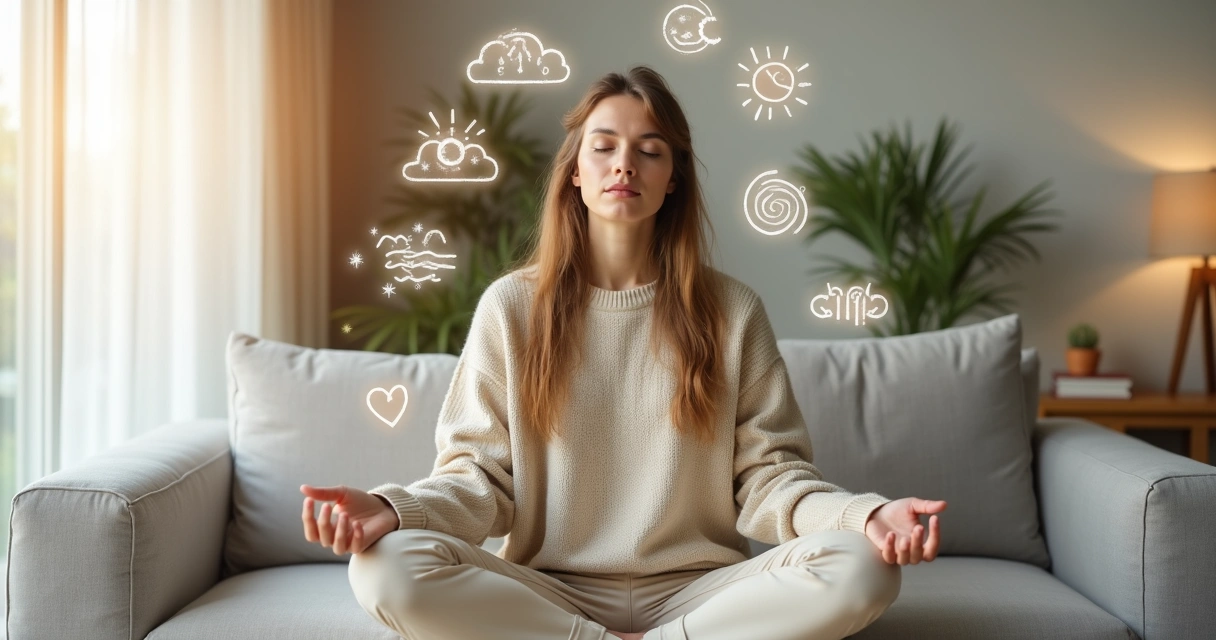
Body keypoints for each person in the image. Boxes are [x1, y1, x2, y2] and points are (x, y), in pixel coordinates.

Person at [300, 65, 947, 640]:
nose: (624, 165)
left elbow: (771, 480)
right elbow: (479, 482)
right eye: (603, 147)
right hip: (549, 591)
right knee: (385, 569)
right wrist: (390, 510)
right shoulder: (511, 308)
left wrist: (867, 515)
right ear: (575, 173)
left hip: (701, 592)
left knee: (864, 569)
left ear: (673, 180)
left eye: (650, 150)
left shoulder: (733, 310)